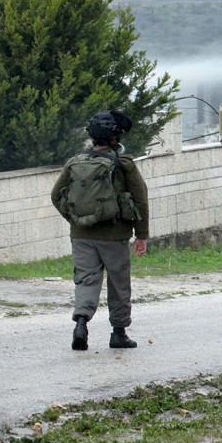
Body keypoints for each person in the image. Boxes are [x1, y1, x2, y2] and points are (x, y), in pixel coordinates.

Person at [51, 110, 149, 351]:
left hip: (81, 235)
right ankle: (118, 333)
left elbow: (56, 195)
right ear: (115, 139)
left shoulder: (75, 162)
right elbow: (140, 199)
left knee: (86, 281)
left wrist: (74, 218)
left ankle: (81, 324)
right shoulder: (123, 164)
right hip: (114, 236)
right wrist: (142, 235)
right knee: (118, 284)